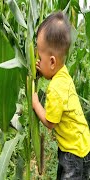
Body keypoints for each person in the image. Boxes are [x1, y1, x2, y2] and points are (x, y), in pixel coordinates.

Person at [32, 11, 90, 179]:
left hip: (74, 153)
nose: (37, 60)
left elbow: (50, 123)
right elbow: (51, 71)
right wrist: (43, 70)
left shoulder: (56, 88)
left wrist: (36, 103)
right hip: (81, 145)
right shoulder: (62, 73)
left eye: (39, 57)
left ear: (51, 62)